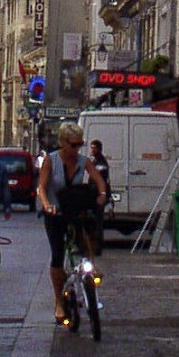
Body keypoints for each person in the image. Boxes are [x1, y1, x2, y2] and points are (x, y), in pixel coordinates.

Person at [37, 123, 107, 325]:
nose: (77, 149)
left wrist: (102, 194)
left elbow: (99, 181)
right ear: (63, 142)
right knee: (58, 255)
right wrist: (47, 205)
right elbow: (42, 188)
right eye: (73, 145)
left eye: (80, 145)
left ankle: (90, 267)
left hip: (74, 210)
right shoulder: (51, 161)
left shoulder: (84, 161)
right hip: (56, 213)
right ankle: (59, 301)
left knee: (87, 235)